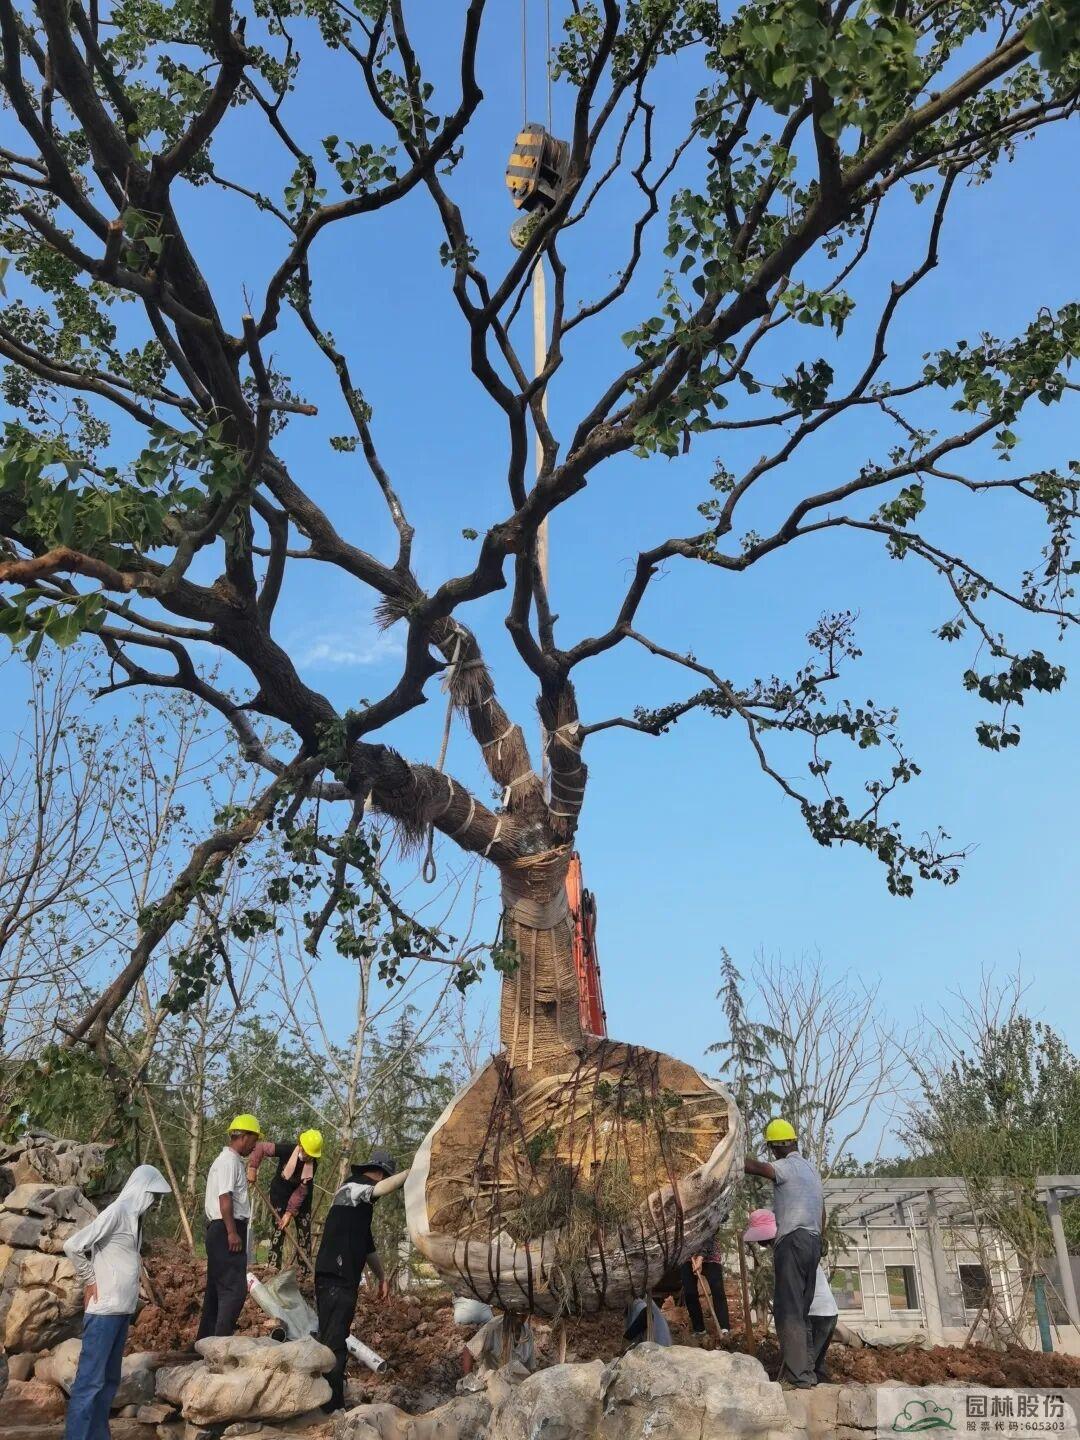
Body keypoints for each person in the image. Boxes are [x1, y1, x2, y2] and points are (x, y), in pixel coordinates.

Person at [63, 1165, 171, 1440]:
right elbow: (73, 1246)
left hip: (121, 1312)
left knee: (108, 1383)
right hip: (104, 1312)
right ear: (141, 1191)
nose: (154, 1202)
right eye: (152, 1195)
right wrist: (90, 1279)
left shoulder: (135, 1220)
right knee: (90, 1383)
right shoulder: (117, 1212)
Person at [315, 1148, 406, 1413]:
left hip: (342, 1278)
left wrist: (382, 1277)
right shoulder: (353, 1187)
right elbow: (380, 1189)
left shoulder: (359, 1209)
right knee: (334, 1343)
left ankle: (329, 1401)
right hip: (336, 1276)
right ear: (379, 1173)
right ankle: (331, 1407)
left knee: (336, 1336)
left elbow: (368, 1246)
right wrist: (413, 1172)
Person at [744, 1119, 825, 1389]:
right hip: (813, 1242)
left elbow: (756, 1168)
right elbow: (822, 1211)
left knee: (788, 1310)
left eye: (771, 1148)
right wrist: (820, 1239)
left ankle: (798, 1378)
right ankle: (808, 1374)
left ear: (776, 1147)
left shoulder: (785, 1167)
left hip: (793, 1242)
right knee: (801, 1311)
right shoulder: (812, 1170)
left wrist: (728, 1156)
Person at [198, 1113, 261, 1341]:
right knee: (234, 1290)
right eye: (254, 1140)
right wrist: (232, 1232)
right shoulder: (229, 1162)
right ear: (244, 1136)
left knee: (217, 1291)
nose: (254, 1146)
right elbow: (225, 1197)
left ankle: (205, 1342)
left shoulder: (229, 1161)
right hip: (227, 1229)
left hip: (222, 1228)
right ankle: (220, 1343)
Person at [247, 1128, 323, 1269]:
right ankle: (273, 1268)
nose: (309, 1157)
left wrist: (289, 1213)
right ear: (301, 1145)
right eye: (307, 1152)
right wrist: (253, 1168)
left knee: (304, 1234)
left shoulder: (313, 1164)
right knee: (278, 1229)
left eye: (312, 1155)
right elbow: (260, 1147)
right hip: (280, 1195)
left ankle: (304, 1271)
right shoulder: (287, 1149)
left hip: (302, 1199)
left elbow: (301, 1191)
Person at [680, 1231, 730, 1340]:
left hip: (710, 1253)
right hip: (688, 1254)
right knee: (689, 1292)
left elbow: (709, 1234)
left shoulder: (711, 1221)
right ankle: (699, 1329)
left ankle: (724, 1329)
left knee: (717, 1290)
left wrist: (700, 1257)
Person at [808, 1261, 838, 1382]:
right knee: (819, 1359)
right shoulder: (812, 1257)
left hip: (817, 1313)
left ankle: (808, 1384)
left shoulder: (796, 1260)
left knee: (809, 1358)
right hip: (832, 1312)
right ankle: (823, 1383)